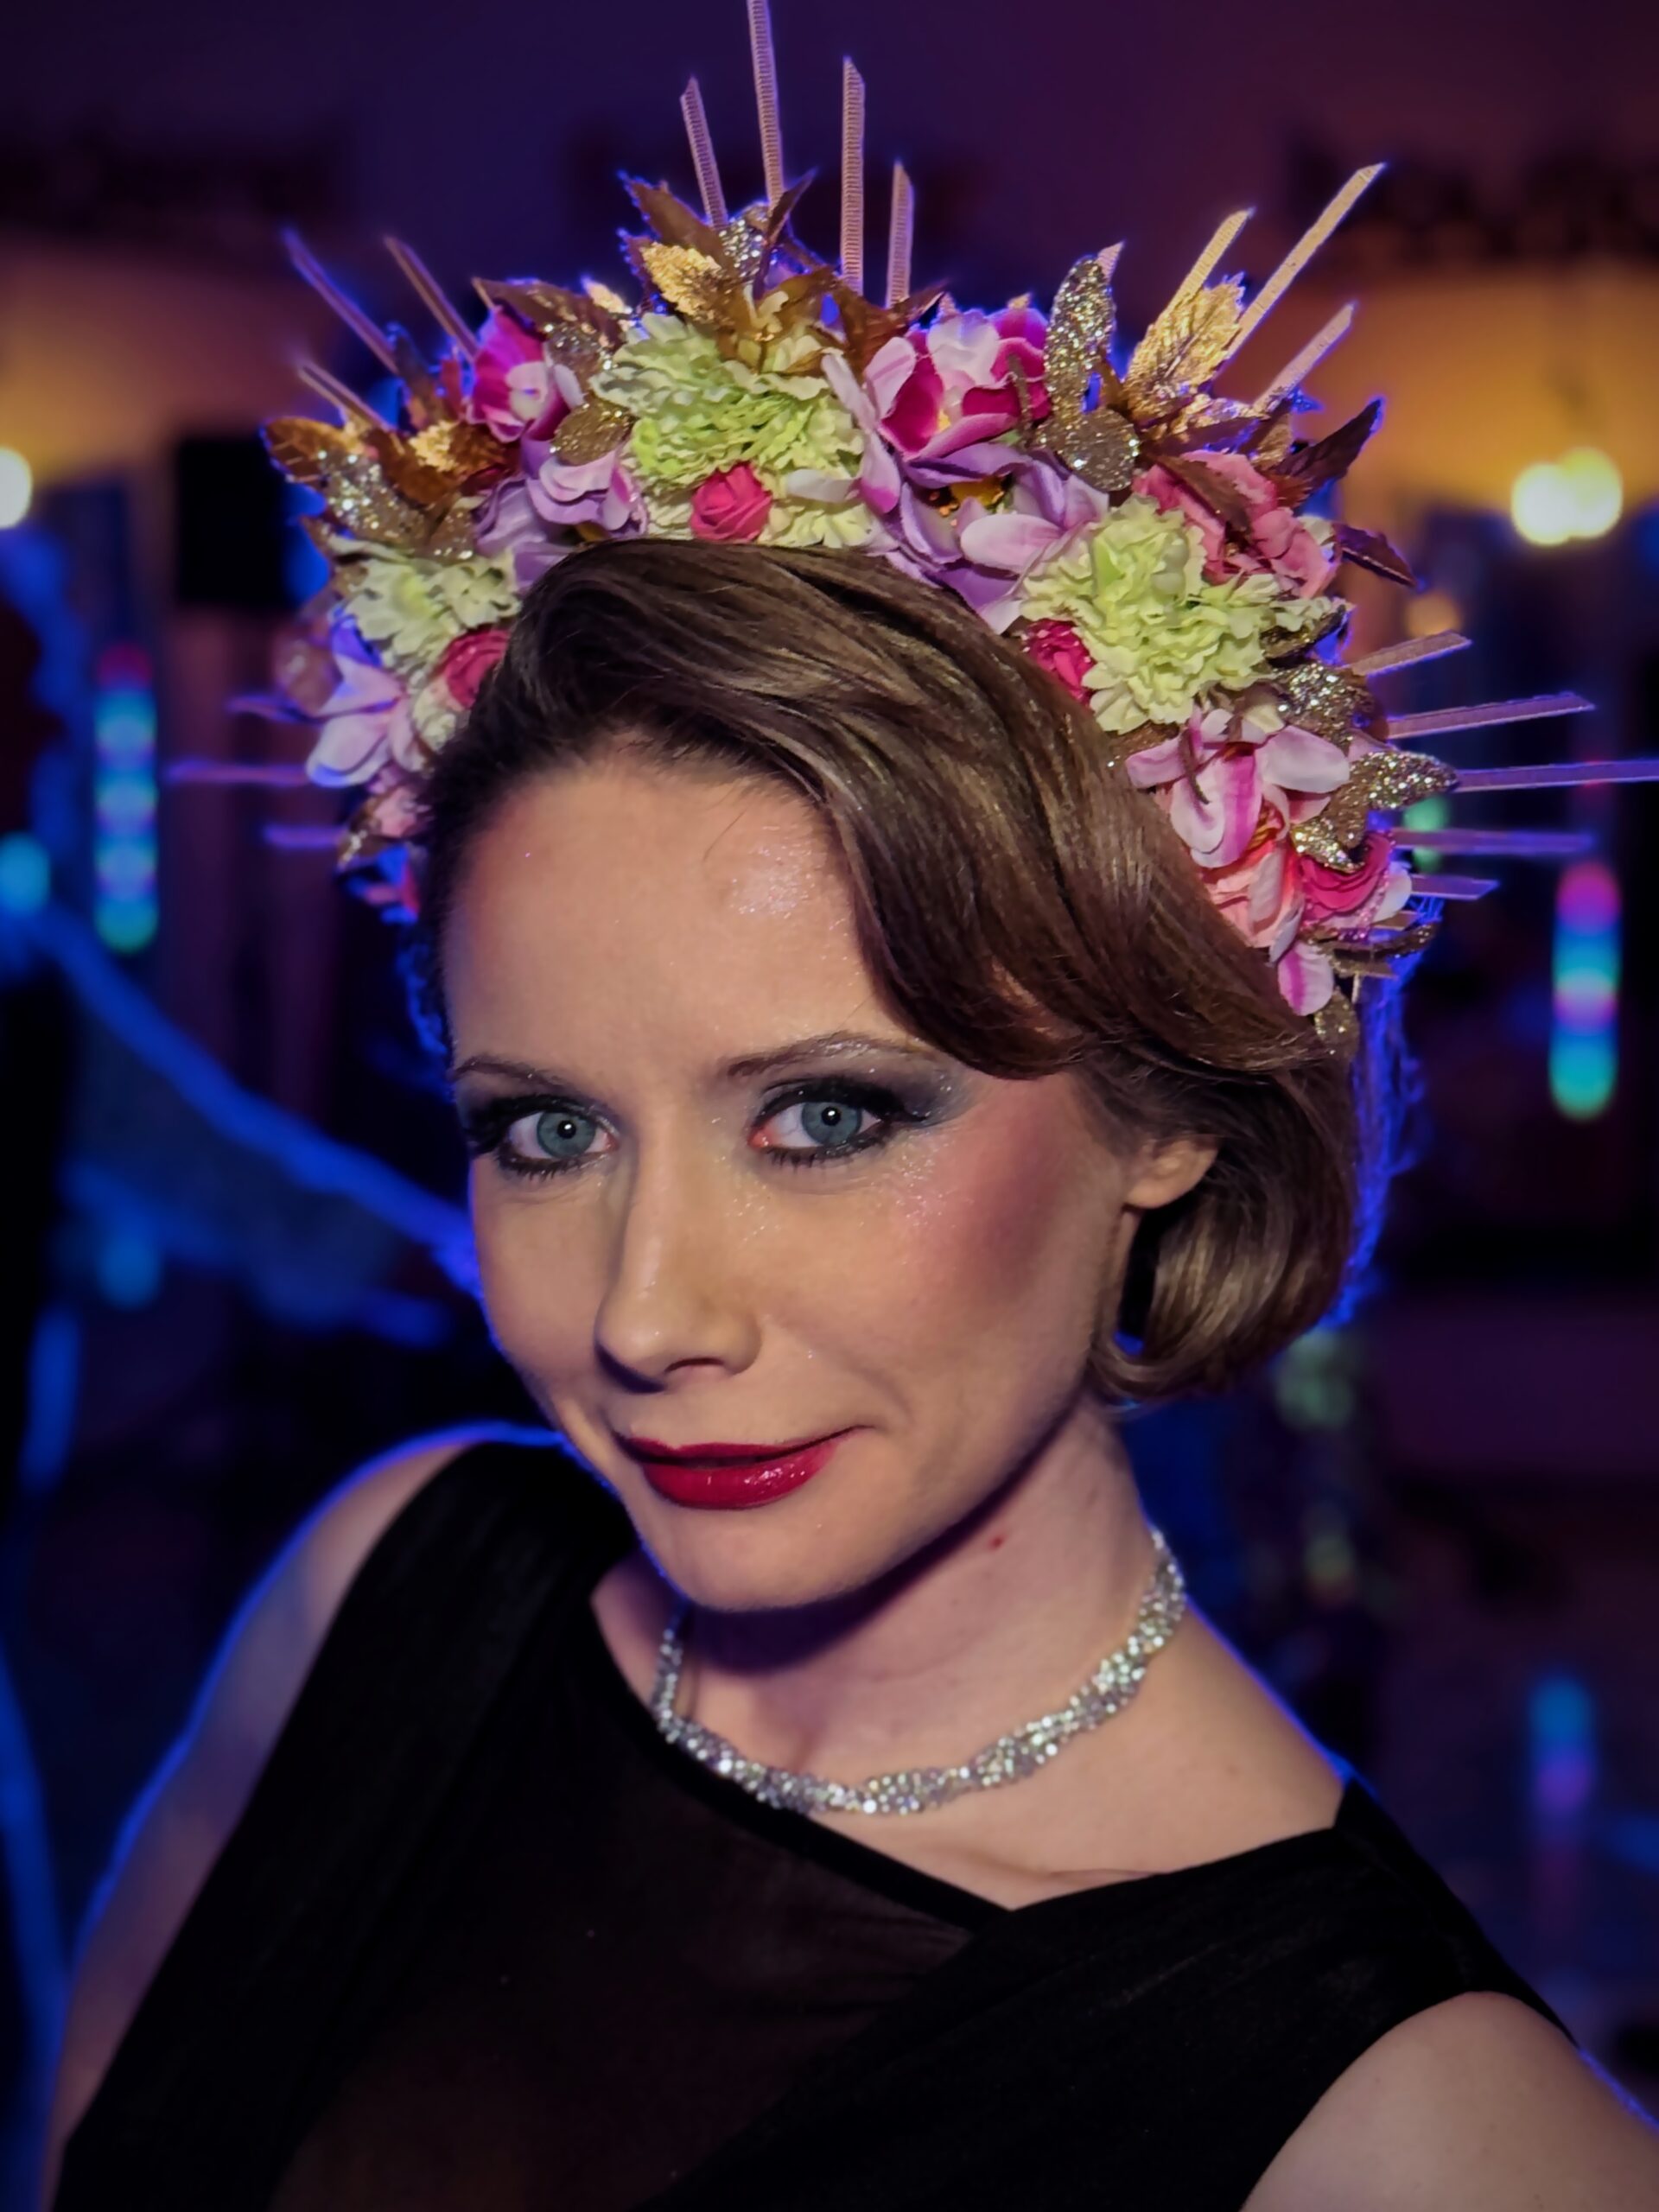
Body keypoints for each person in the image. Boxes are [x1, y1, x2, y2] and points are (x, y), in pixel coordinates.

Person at [38, 12, 1659, 2206]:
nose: (646, 1311)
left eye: (824, 1116)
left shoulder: (1420, 2133)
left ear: (1166, 1105)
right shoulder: (372, 1597)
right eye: (547, 1130)